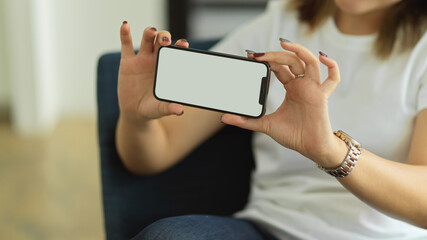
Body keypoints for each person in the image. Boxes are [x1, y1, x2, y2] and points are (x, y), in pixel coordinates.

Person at [116, 0, 427, 239]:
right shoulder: (278, 24)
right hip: (269, 229)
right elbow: (159, 149)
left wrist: (331, 151)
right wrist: (135, 119)